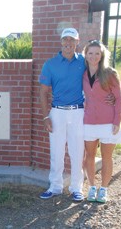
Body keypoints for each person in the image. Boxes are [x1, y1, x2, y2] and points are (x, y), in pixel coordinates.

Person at [39, 28, 86, 202]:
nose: (68, 43)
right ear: (61, 42)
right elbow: (43, 91)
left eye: (72, 40)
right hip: (57, 112)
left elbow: (97, 79)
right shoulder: (50, 64)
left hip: (77, 112)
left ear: (77, 41)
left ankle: (76, 188)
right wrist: (46, 117)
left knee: (77, 151)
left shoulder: (84, 61)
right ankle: (55, 186)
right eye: (65, 40)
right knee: (56, 152)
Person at [82, 40, 121, 203]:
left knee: (107, 157)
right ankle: (92, 187)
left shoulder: (110, 73)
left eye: (97, 53)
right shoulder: (82, 74)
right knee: (89, 156)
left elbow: (119, 99)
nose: (93, 57)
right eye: (90, 53)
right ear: (86, 54)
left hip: (108, 122)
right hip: (89, 121)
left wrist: (117, 120)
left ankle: (104, 189)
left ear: (102, 55)